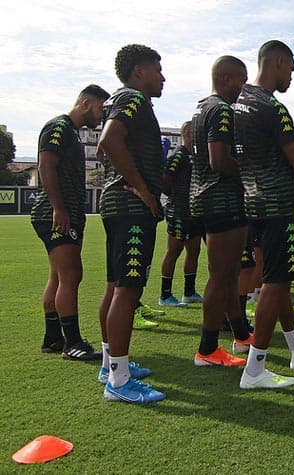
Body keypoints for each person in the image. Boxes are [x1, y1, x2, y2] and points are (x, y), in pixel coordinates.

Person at [235, 40, 294, 389]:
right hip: (278, 204)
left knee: (277, 278)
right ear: (278, 63)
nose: (292, 77)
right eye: (291, 69)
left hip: (253, 202)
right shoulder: (273, 107)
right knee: (276, 281)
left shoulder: (239, 102)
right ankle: (254, 369)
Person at [96, 44, 166, 403]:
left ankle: (111, 365)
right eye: (157, 69)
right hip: (130, 206)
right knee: (128, 290)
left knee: (115, 285)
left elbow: (109, 142)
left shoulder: (121, 101)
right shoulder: (133, 99)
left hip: (116, 204)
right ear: (139, 71)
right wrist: (143, 189)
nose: (163, 76)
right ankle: (119, 382)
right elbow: (108, 140)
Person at [31, 84, 110, 361]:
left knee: (58, 276)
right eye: (101, 108)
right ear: (86, 103)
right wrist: (58, 208)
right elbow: (45, 165)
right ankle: (72, 343)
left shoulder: (72, 133)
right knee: (71, 275)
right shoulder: (59, 127)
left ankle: (53, 338)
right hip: (56, 213)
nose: (102, 116)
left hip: (65, 212)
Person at [189, 55, 252, 367]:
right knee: (222, 275)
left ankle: (241, 335)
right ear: (227, 79)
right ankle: (208, 348)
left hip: (208, 199)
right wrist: (251, 172)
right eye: (242, 79)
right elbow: (219, 160)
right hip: (222, 200)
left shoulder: (202, 107)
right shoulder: (222, 110)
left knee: (227, 275)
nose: (245, 87)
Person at [158, 121, 204, 307]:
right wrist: (176, 198)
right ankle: (165, 295)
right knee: (174, 251)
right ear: (187, 133)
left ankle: (189, 291)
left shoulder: (196, 156)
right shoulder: (179, 155)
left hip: (194, 212)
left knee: (194, 250)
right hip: (179, 211)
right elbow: (165, 180)